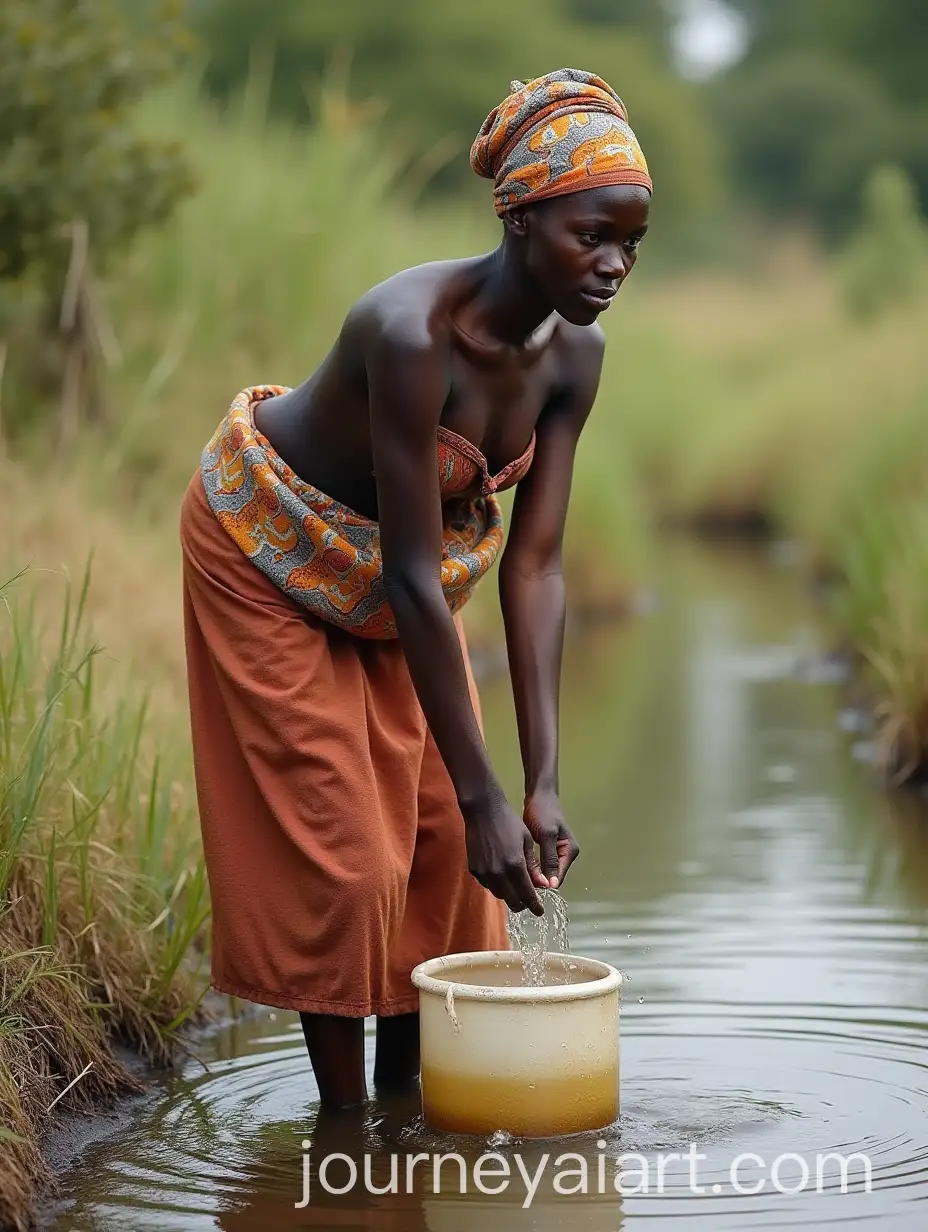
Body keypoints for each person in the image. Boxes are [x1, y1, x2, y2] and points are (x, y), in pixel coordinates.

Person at [179, 67, 651, 1111]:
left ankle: (406, 1101)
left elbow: (534, 564)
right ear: (522, 217)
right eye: (592, 236)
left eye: (632, 243)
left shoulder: (578, 354)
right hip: (267, 544)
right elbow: (406, 569)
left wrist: (537, 782)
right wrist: (486, 792)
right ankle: (347, 1134)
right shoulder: (409, 333)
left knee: (445, 846)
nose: (614, 264)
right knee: (349, 859)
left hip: (405, 576)